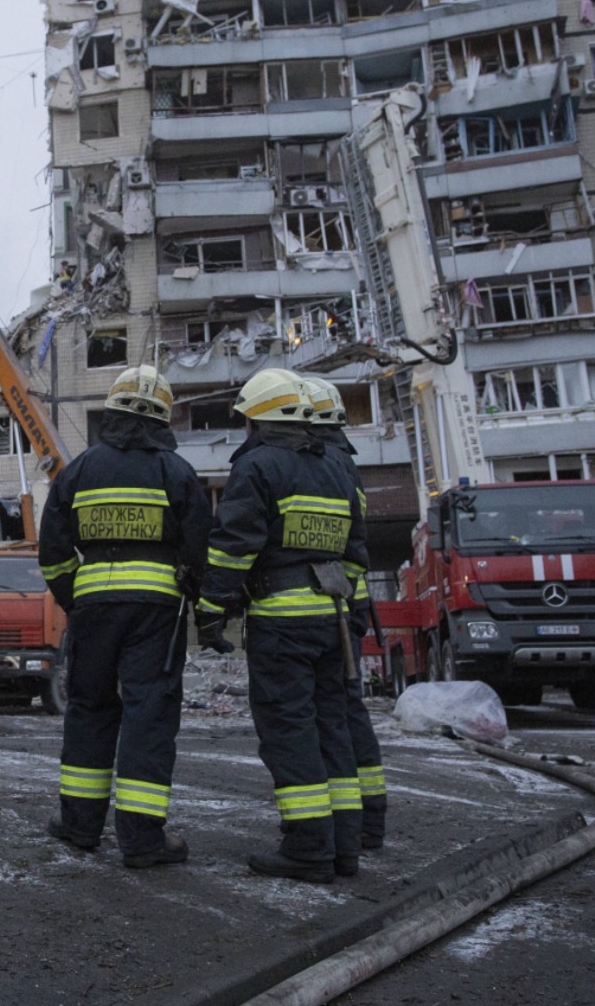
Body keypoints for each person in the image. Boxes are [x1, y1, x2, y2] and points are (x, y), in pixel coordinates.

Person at [196, 368, 366, 883]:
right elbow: (356, 552)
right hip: (332, 622)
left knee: (289, 733)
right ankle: (344, 847)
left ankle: (308, 850)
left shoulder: (259, 467)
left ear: (261, 419)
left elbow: (233, 547)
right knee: (331, 728)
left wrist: (211, 611)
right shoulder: (337, 468)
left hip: (280, 623)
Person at [37, 365, 210, 867]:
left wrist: (78, 594)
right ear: (163, 417)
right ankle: (141, 839)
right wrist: (193, 596)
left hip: (93, 611)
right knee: (147, 716)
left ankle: (79, 826)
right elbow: (199, 549)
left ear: (111, 412)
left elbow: (52, 551)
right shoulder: (175, 473)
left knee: (89, 710)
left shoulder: (79, 470)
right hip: (156, 612)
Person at [301, 376, 386, 852]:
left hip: (333, 603)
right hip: (350, 600)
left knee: (337, 714)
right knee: (349, 710)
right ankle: (367, 821)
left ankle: (353, 824)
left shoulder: (325, 463)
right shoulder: (346, 462)